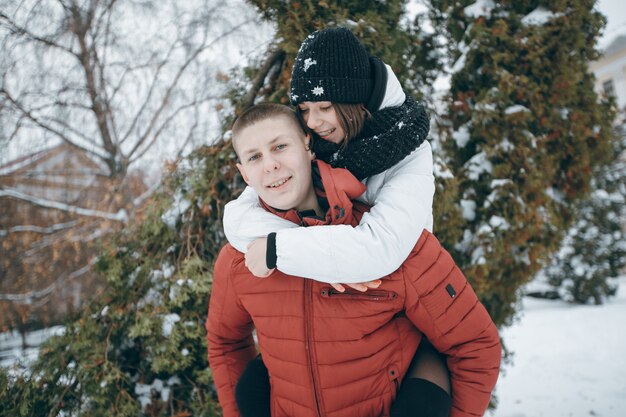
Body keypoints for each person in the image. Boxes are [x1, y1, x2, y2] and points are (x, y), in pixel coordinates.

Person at [206, 103, 501, 417]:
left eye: (280, 146)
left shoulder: (388, 240)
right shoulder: (239, 258)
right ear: (244, 174)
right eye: (254, 157)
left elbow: (474, 346)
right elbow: (224, 341)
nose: (270, 166)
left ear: (307, 146)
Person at [223, 26, 448, 416]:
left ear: (354, 98)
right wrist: (302, 249)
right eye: (305, 109)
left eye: (325, 107)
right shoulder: (320, 144)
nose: (313, 121)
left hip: (399, 311)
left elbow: (380, 250)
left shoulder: (409, 152)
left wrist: (279, 249)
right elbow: (240, 215)